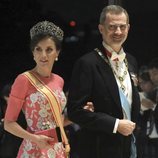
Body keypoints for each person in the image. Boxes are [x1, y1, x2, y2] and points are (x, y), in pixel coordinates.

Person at [67, 5, 140, 158]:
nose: (118, 32)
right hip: (99, 148)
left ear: (128, 28)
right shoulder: (87, 63)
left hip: (129, 147)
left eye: (122, 26)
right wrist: (115, 125)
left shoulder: (131, 61)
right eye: (112, 27)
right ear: (101, 28)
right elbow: (75, 111)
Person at [4, 20, 70, 158]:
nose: (43, 55)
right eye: (38, 49)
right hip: (34, 149)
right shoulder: (23, 80)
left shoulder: (59, 80)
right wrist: (34, 138)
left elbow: (56, 122)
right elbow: (8, 124)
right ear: (33, 52)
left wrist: (80, 115)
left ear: (57, 53)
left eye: (49, 49)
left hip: (57, 149)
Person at [137, 66, 158, 158]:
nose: (142, 86)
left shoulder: (155, 94)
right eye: (140, 84)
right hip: (146, 137)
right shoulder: (142, 96)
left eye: (144, 83)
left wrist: (152, 106)